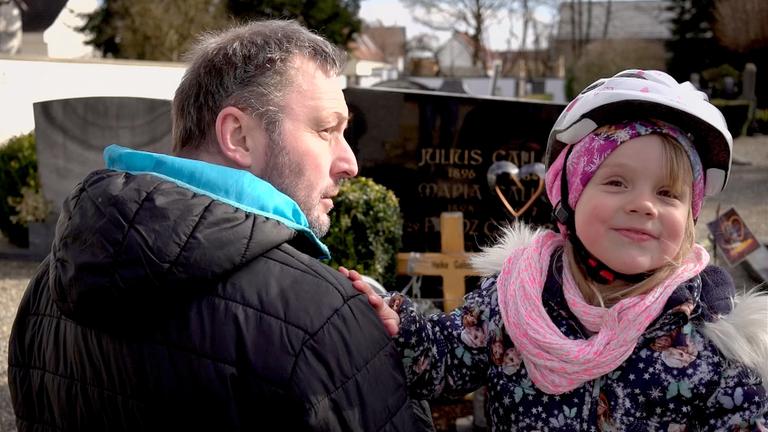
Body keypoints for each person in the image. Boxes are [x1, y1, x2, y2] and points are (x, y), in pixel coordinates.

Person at [8, 20, 433, 431]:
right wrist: (397, 365)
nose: (350, 164)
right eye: (326, 130)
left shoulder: (47, 288)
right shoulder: (326, 316)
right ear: (239, 136)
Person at [346, 69, 768, 431]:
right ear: (570, 197)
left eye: (667, 192)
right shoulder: (515, 297)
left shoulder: (715, 334)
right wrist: (402, 330)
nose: (644, 204)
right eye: (616, 182)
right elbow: (443, 362)